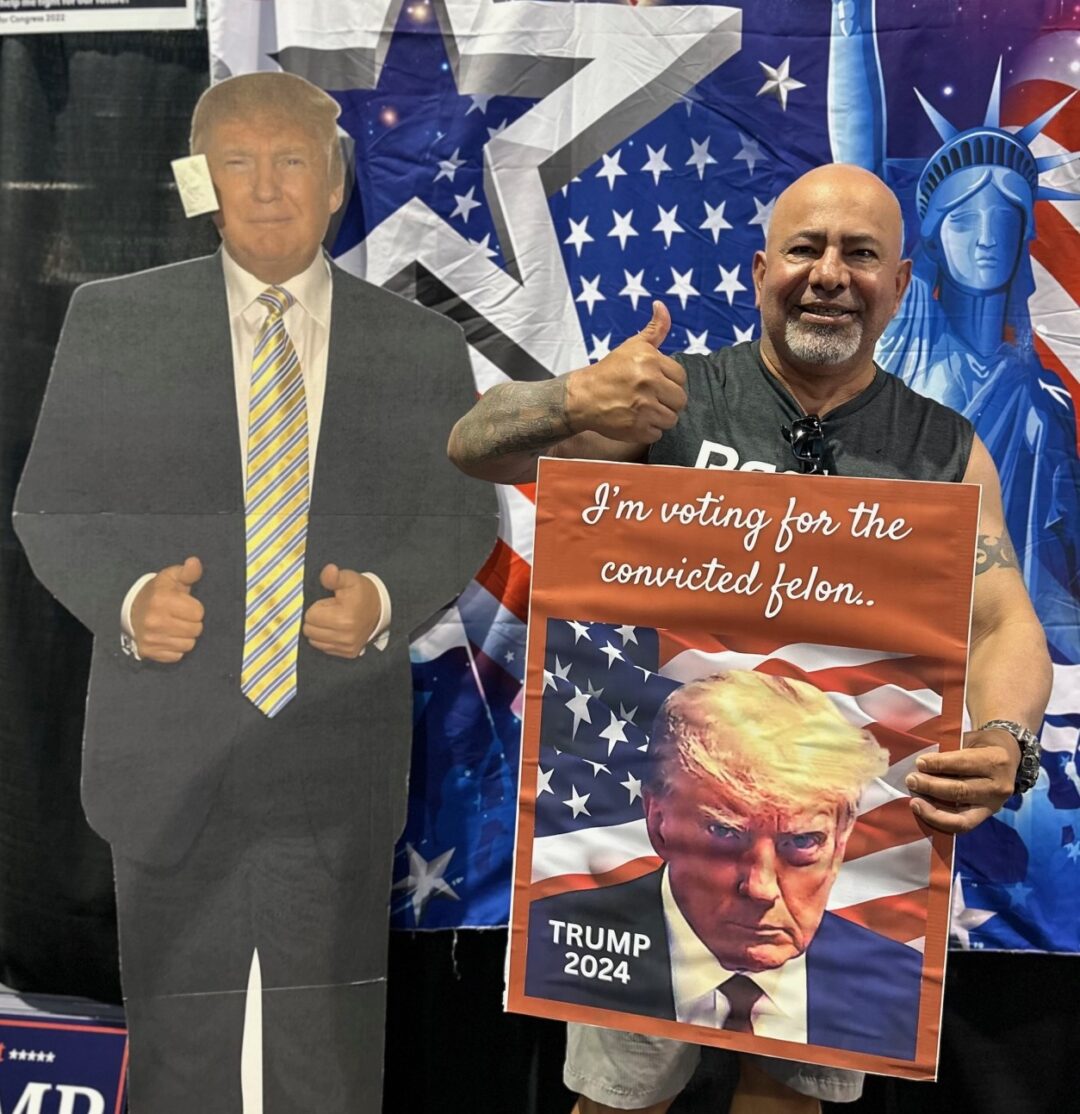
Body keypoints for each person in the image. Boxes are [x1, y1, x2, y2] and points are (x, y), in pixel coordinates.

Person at [448, 163, 1051, 1113]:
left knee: (787, 1098)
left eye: (860, 254)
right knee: (616, 1102)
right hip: (659, 848)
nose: (830, 274)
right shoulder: (667, 404)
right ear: (761, 270)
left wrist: (1007, 739)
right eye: (806, 249)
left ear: (900, 283)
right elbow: (475, 444)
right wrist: (574, 401)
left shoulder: (941, 448)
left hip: (831, 856)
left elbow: (1005, 617)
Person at [14, 73, 492, 1111]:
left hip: (335, 766)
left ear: (336, 184)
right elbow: (51, 507)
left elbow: (460, 517)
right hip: (165, 766)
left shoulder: (420, 346)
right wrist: (131, 600)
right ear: (204, 182)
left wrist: (380, 600)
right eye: (239, 161)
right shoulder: (116, 322)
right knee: (180, 1066)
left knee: (328, 1067)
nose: (267, 187)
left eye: (293, 161)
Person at [525, 670, 922, 1060]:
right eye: (725, 833)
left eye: (802, 842)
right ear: (658, 822)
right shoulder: (547, 947)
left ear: (841, 840)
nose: (761, 888)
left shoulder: (903, 989)